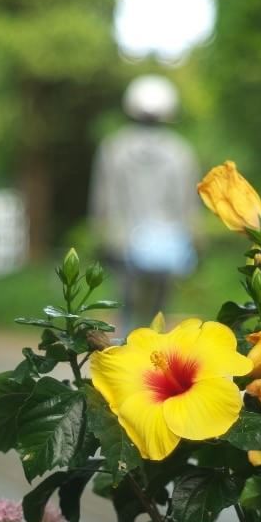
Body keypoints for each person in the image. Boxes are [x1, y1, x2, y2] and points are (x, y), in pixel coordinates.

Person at [89, 75, 200, 332]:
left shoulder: (114, 147)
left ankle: (125, 356)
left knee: (125, 304)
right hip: (167, 242)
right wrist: (194, 241)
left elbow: (102, 199)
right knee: (160, 309)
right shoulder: (181, 151)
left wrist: (100, 236)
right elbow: (187, 204)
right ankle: (154, 357)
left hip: (122, 239)